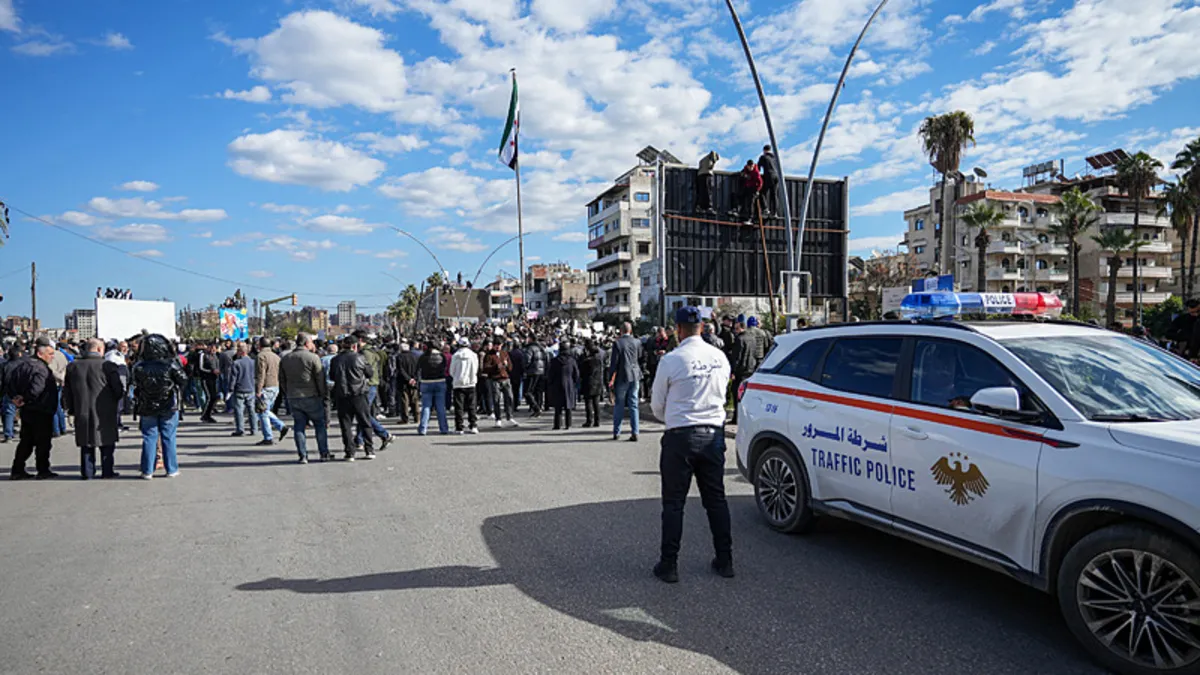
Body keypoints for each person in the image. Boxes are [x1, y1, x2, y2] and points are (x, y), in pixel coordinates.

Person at [650, 306, 734, 583]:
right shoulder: (719, 357)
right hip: (713, 434)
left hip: (680, 436)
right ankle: (725, 560)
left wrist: (674, 419)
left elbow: (657, 405)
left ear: (678, 329)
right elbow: (723, 393)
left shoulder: (672, 360)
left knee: (674, 504)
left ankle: (669, 564)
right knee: (716, 500)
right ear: (702, 326)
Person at [62, 338, 124, 479]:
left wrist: (70, 408)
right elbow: (118, 389)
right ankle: (107, 470)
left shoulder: (73, 367)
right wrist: (116, 402)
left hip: (81, 408)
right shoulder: (108, 366)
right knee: (107, 441)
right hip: (105, 409)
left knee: (86, 442)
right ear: (99, 349)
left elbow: (67, 391)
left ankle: (87, 472)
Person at [132, 334, 187, 479]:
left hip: (147, 404)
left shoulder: (139, 366)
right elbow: (183, 379)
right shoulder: (170, 364)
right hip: (168, 404)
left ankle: (147, 470)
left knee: (149, 437)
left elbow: (134, 383)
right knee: (168, 437)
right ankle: (171, 469)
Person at [331, 336, 392, 460]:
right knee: (365, 422)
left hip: (342, 395)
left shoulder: (335, 359)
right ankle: (369, 450)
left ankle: (349, 452)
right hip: (359, 393)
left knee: (346, 425)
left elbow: (332, 376)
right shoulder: (360, 358)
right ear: (355, 346)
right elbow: (369, 373)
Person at [7, 340, 60, 479]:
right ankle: (43, 469)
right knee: (42, 442)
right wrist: (24, 399)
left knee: (26, 441)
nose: (52, 356)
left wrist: (16, 397)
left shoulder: (22, 366)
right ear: (40, 354)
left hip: (28, 409)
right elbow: (37, 389)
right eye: (49, 354)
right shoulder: (41, 368)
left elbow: (10, 382)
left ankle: (18, 469)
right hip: (40, 409)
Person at [279, 333, 329, 463]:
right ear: (307, 343)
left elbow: (282, 379)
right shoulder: (313, 358)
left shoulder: (286, 358)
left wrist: (287, 392)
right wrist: (322, 394)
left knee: (299, 426)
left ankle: (303, 455)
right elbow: (319, 378)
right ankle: (324, 453)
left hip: (293, 396)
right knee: (319, 425)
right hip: (311, 395)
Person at [608, 322, 643, 442]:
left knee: (619, 404)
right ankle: (635, 431)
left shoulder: (617, 343)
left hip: (622, 375)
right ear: (631, 330)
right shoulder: (637, 342)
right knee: (634, 404)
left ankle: (617, 432)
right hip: (635, 374)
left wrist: (610, 378)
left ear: (621, 331)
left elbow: (614, 363)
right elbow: (640, 357)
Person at [254, 337, 289, 446]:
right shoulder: (276, 356)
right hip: (275, 385)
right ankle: (280, 427)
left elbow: (261, 374)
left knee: (262, 412)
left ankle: (269, 436)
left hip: (266, 386)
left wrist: (258, 389)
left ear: (260, 345)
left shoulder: (261, 356)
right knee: (265, 410)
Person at [417, 339, 450, 436]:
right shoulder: (441, 356)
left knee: (426, 406)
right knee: (440, 407)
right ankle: (444, 428)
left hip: (426, 382)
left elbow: (419, 369)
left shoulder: (423, 357)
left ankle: (423, 428)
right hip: (440, 381)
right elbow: (444, 368)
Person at [481, 340, 517, 428]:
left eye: (499, 345)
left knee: (509, 398)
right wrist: (496, 367)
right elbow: (485, 368)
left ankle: (509, 417)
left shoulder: (504, 353)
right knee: (496, 400)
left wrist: (507, 364)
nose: (498, 347)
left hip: (505, 378)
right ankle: (498, 419)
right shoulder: (489, 355)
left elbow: (511, 367)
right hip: (494, 379)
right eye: (496, 345)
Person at [547, 339, 580, 430]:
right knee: (568, 406)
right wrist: (573, 382)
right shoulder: (572, 361)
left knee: (558, 407)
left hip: (557, 384)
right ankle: (568, 424)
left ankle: (557, 424)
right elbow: (576, 374)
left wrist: (551, 383)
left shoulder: (554, 361)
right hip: (569, 384)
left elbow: (550, 374)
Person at [450, 337, 480, 434]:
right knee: (472, 405)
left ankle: (459, 427)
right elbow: (476, 369)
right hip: (471, 383)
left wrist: (457, 377)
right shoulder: (473, 355)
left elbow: (451, 371)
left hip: (458, 383)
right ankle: (473, 425)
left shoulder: (455, 356)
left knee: (459, 406)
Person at [730, 321, 758, 425]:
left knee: (737, 395)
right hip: (751, 369)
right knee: (747, 395)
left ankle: (737, 417)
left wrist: (733, 371)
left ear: (741, 328)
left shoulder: (739, 339)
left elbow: (737, 357)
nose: (735, 331)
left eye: (736, 329)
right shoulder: (752, 338)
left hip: (740, 371)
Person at [229, 343, 257, 437]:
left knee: (239, 410)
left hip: (239, 388)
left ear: (240, 351)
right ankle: (254, 429)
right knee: (251, 410)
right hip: (251, 388)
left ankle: (240, 429)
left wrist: (230, 389)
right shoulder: (253, 362)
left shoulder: (236, 363)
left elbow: (233, 377)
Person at [579, 340, 605, 428]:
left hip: (588, 383)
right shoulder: (599, 361)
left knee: (588, 403)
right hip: (598, 383)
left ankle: (589, 420)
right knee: (596, 403)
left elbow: (582, 373)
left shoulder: (586, 361)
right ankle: (597, 421)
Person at [0, 345, 23, 443]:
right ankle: (26, 433)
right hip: (22, 391)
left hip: (8, 391)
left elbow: (2, 380)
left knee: (9, 412)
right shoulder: (24, 364)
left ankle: (8, 434)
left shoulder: (5, 365)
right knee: (25, 412)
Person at [393, 342, 420, 424]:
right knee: (415, 400)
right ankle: (417, 417)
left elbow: (400, 369)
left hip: (403, 381)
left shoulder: (399, 357)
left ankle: (405, 418)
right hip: (414, 381)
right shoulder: (415, 356)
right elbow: (418, 369)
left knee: (404, 400)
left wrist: (408, 379)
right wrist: (414, 379)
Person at [522, 336, 548, 417]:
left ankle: (536, 408)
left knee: (527, 392)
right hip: (541, 371)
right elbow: (546, 360)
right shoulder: (542, 348)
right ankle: (539, 407)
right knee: (538, 391)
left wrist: (525, 369)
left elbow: (527, 360)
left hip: (532, 372)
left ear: (530, 339)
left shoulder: (530, 348)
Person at [196, 343, 220, 423]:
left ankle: (208, 414)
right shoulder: (203, 355)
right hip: (205, 379)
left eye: (215, 348)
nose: (214, 350)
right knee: (210, 397)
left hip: (214, 379)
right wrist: (212, 371)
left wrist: (218, 371)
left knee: (215, 397)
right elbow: (201, 367)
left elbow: (217, 365)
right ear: (208, 347)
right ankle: (205, 415)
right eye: (212, 348)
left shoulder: (215, 356)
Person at [757, 145, 779, 217]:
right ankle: (775, 212)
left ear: (764, 150)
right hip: (777, 177)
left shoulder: (763, 157)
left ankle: (765, 209)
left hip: (769, 176)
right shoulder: (775, 158)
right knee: (774, 194)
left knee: (762, 193)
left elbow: (758, 168)